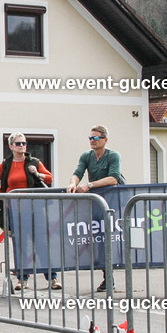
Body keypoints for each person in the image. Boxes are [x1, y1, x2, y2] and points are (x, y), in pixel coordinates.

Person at [0, 132, 59, 291]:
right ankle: (22, 279)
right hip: (16, 210)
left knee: (41, 242)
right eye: (19, 143)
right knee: (20, 244)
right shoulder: (6, 164)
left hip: (35, 208)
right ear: (11, 146)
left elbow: (49, 178)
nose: (22, 146)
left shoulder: (34, 162)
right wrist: (4, 197)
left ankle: (52, 278)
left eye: (24, 143)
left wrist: (37, 173)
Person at [66, 125, 125, 292]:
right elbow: (78, 172)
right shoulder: (87, 155)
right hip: (96, 202)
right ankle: (108, 276)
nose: (92, 140)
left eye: (96, 138)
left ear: (105, 140)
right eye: (90, 138)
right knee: (99, 240)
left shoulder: (113, 155)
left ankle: (110, 276)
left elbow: (113, 178)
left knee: (110, 239)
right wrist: (73, 183)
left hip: (112, 201)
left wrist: (89, 185)